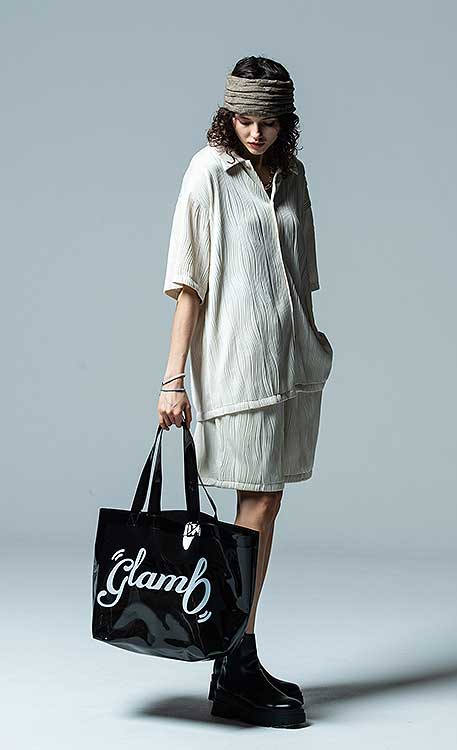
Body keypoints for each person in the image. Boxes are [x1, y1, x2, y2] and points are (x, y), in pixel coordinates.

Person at [157, 56, 334, 728]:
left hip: (291, 369)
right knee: (253, 506)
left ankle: (239, 659)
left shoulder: (293, 177)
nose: (255, 133)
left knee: (265, 505)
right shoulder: (208, 171)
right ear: (227, 115)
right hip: (236, 369)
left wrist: (313, 342)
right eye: (245, 119)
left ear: (286, 122)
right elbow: (188, 282)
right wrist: (173, 379)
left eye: (269, 121)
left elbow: (301, 276)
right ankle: (234, 665)